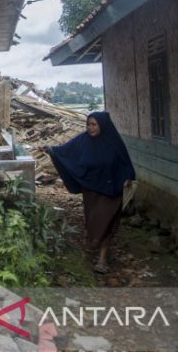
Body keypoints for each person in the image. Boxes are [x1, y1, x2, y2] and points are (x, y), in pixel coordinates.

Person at [41, 112, 135, 274]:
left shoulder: (113, 141)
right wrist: (51, 150)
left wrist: (127, 178)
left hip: (111, 191)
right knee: (93, 220)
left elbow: (125, 163)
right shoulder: (83, 140)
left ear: (102, 125)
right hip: (91, 190)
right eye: (88, 124)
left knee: (106, 222)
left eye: (94, 125)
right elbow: (65, 152)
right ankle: (93, 242)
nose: (90, 128)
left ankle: (102, 259)